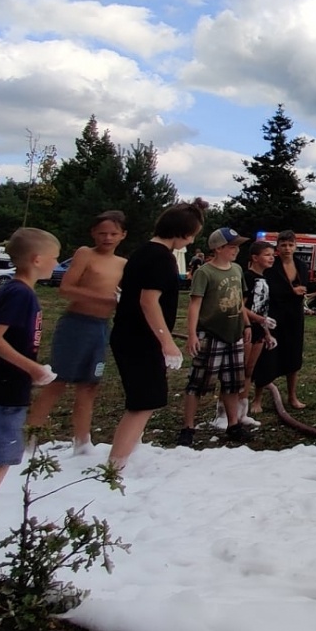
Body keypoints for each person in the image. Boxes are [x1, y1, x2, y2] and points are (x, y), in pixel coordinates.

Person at [107, 200, 207, 468]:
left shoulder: (142, 252)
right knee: (143, 402)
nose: (192, 240)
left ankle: (129, 453)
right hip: (140, 339)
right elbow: (148, 301)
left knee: (145, 398)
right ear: (182, 233)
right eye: (193, 235)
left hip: (129, 334)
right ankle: (114, 467)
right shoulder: (160, 258)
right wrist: (168, 342)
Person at [0, 227, 60, 496]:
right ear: (37, 259)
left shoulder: (19, 291)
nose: (57, 264)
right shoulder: (20, 294)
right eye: (55, 258)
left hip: (6, 389)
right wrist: (34, 369)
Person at [27, 211, 127, 453]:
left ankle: (82, 441)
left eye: (113, 233)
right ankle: (28, 438)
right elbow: (66, 288)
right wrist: (105, 298)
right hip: (76, 324)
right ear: (93, 233)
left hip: (101, 327)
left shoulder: (123, 264)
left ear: (123, 235)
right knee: (58, 381)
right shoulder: (85, 253)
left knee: (90, 384)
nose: (107, 238)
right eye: (102, 233)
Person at [178, 228, 253, 448]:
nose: (236, 250)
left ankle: (233, 425)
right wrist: (192, 334)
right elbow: (195, 305)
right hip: (211, 335)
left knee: (232, 384)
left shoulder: (237, 269)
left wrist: (246, 324)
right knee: (198, 384)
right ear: (218, 248)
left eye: (237, 246)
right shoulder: (205, 272)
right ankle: (188, 427)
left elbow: (239, 301)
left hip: (234, 335)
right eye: (232, 246)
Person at [264, 231, 316, 409]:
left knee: (294, 354)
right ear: (277, 247)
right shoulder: (271, 265)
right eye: (283, 245)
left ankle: (292, 396)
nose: (287, 248)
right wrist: (290, 292)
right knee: (268, 354)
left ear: (295, 245)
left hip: (294, 315)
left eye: (290, 245)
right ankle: (257, 397)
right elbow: (267, 290)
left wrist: (306, 291)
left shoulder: (302, 265)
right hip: (274, 314)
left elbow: (305, 286)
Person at [242, 240, 279, 419]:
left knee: (250, 370)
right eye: (267, 255)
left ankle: (242, 412)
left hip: (259, 331)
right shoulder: (247, 278)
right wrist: (258, 320)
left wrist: (267, 333)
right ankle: (227, 411)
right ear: (255, 258)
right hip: (245, 328)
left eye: (272, 255)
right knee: (240, 371)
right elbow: (239, 307)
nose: (271, 258)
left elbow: (262, 307)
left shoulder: (265, 279)